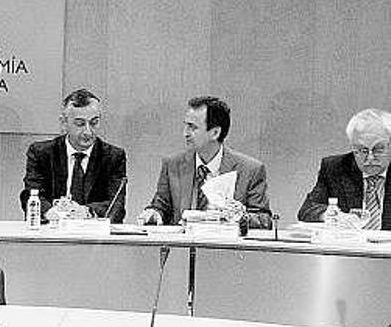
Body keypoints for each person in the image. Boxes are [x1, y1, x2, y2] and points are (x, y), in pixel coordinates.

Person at [138, 96, 273, 228]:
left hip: (227, 248)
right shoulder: (172, 165)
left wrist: (242, 218)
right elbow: (161, 207)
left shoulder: (250, 170)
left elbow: (264, 220)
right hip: (183, 248)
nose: (185, 133)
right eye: (186, 126)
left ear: (215, 133)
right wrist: (154, 213)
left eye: (193, 127)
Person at [20, 89, 126, 222]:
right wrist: (51, 213)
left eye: (94, 123)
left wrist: (86, 211)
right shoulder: (42, 153)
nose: (88, 131)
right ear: (64, 123)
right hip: (52, 234)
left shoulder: (113, 157)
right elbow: (31, 194)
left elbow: (116, 206)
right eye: (80, 124)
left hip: (94, 237)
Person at [298, 108, 391, 230]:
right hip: (349, 246)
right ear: (352, 146)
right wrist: (332, 216)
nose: (370, 157)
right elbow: (307, 210)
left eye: (378, 149)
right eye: (362, 150)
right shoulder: (335, 167)